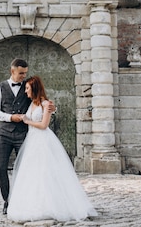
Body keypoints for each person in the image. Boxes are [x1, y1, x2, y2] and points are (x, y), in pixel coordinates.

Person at [6, 76, 97, 222]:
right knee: (32, 173)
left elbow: (43, 125)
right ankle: (32, 204)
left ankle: (53, 205)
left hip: (43, 140)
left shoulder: (45, 104)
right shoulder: (31, 104)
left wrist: (28, 121)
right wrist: (21, 117)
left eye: (28, 89)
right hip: (32, 141)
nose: (25, 92)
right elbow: (28, 116)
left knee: (46, 172)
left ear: (34, 88)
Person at [0, 58, 55, 215]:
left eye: (25, 73)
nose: (23, 76)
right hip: (4, 133)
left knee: (23, 169)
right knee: (0, 168)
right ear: (12, 71)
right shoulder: (0, 87)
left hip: (24, 135)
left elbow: (39, 102)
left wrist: (53, 108)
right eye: (21, 73)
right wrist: (11, 118)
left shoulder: (28, 86)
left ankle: (22, 200)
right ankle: (7, 200)